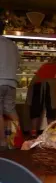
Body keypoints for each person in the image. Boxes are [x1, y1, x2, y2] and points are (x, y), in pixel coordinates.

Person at [0, 20, 19, 151]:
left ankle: (2, 143)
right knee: (10, 110)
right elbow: (18, 63)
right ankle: (15, 140)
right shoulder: (12, 45)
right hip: (11, 82)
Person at [26, 59, 56, 137]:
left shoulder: (45, 65)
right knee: (51, 108)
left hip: (37, 84)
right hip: (50, 85)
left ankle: (33, 132)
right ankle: (51, 133)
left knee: (35, 107)